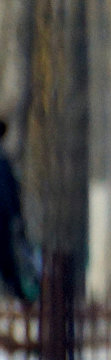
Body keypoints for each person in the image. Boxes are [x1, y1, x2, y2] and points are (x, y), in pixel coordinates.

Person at [0, 118, 37, 304]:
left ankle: (20, 300)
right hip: (4, 222)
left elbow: (10, 194)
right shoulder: (4, 162)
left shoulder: (4, 162)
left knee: (9, 264)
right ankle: (19, 299)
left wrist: (16, 217)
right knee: (8, 264)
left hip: (3, 222)